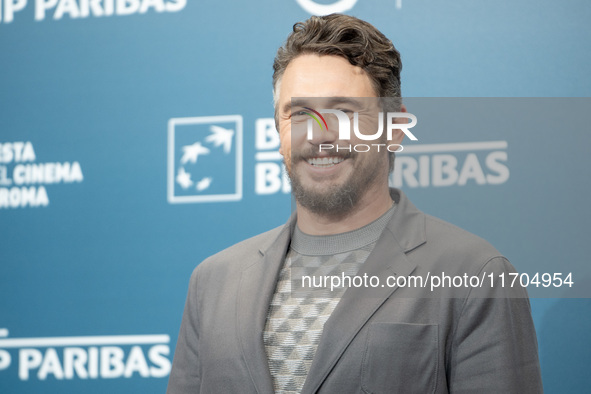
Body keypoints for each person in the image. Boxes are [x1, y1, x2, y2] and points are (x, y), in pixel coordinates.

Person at [167, 14, 543, 393]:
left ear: (394, 129)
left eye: (344, 112)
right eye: (299, 113)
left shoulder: (476, 274)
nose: (319, 135)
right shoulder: (212, 282)